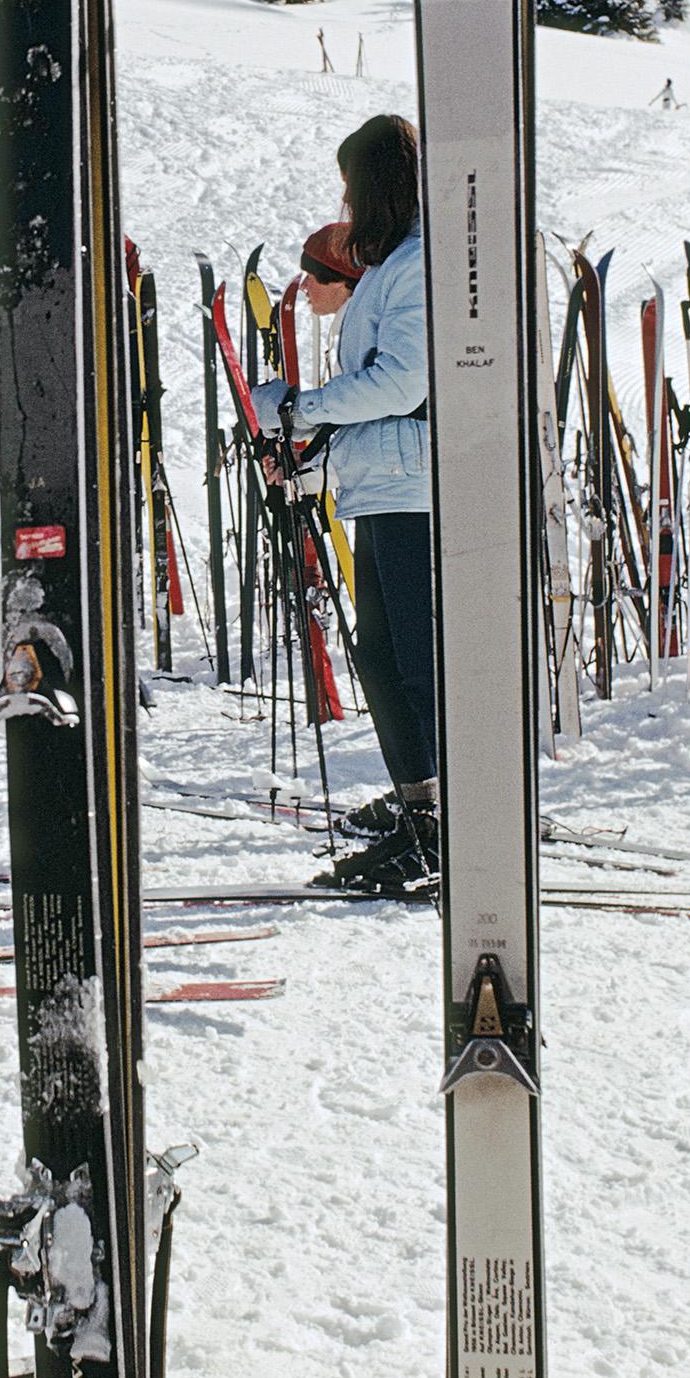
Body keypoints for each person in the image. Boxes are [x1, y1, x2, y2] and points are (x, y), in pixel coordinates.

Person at [251, 124, 435, 896]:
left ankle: (441, 825)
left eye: (352, 186)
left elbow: (404, 384)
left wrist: (302, 410)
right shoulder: (395, 265)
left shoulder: (417, 264)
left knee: (415, 664)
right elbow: (379, 399)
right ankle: (421, 811)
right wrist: (309, 452)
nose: (346, 202)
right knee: (383, 659)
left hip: (419, 493)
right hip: (387, 485)